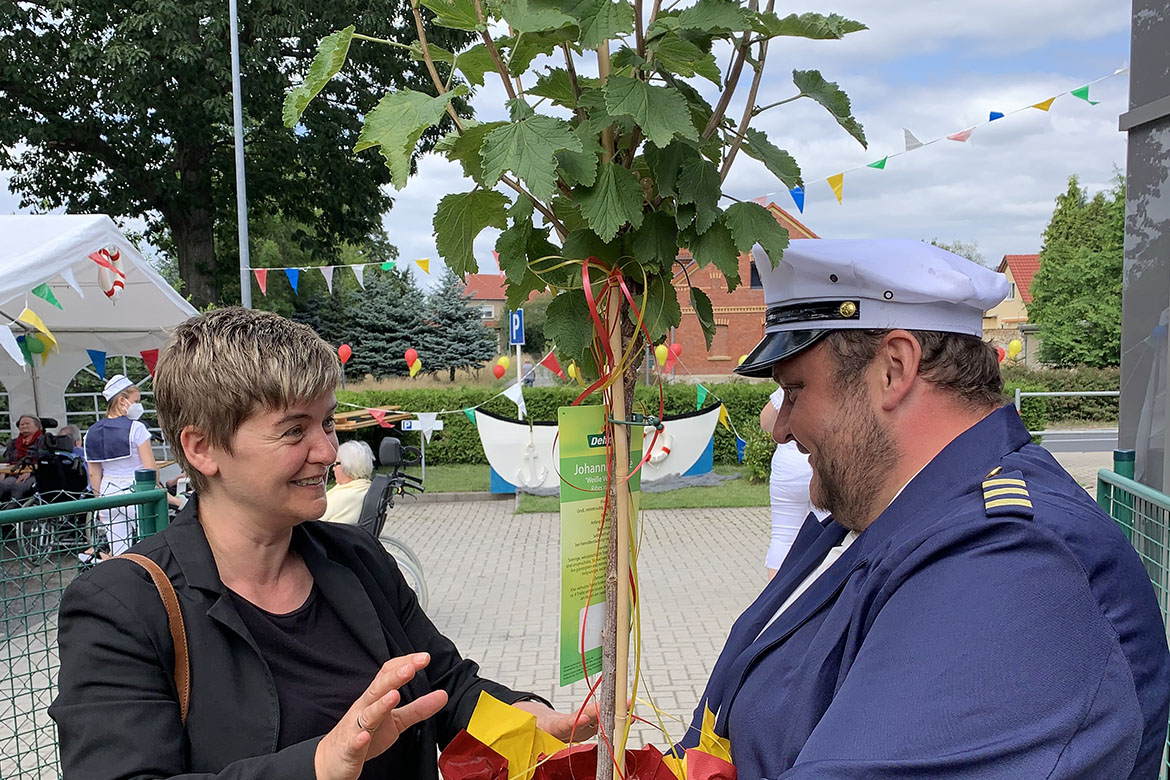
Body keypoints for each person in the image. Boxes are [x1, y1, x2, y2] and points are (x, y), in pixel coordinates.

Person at [676, 239, 1170, 779]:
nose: (780, 426)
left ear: (894, 368)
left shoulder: (1014, 563)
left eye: (795, 389)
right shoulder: (885, 512)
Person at [50, 307, 593, 780]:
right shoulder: (123, 606)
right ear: (202, 447)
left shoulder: (356, 559)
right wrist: (318, 764)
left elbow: (446, 687)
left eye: (328, 423)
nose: (327, 450)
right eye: (294, 431)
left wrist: (529, 716)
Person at [81, 375, 167, 559]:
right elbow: (150, 468)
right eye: (135, 400)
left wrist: (99, 502)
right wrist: (159, 488)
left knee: (120, 551)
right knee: (152, 544)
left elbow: (93, 472)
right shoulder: (137, 428)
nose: (138, 405)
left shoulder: (91, 432)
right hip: (137, 490)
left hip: (108, 491)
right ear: (122, 401)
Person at [758, 392, 824, 579]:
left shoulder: (788, 386)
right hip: (821, 461)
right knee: (827, 533)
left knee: (783, 535)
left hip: (788, 467)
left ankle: (774, 601)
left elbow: (766, 422)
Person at [320, 440, 375, 525]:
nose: (333, 468)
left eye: (336, 464)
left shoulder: (342, 496)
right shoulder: (366, 488)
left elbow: (311, 521)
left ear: (347, 466)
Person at [0, 413, 42, 505]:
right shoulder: (13, 442)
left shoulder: (42, 440)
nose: (24, 426)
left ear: (37, 426)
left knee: (18, 486)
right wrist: (2, 472)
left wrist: (30, 471)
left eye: (27, 423)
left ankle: (13, 514)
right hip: (13, 473)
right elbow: (6, 460)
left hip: (35, 473)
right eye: (21, 424)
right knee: (2, 485)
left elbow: (43, 459)